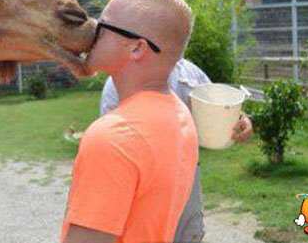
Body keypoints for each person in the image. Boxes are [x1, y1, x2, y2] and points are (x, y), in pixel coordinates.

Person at [61, 0, 198, 243]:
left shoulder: (115, 137)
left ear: (137, 48)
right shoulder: (180, 116)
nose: (91, 31)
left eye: (102, 26)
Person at [101, 60, 253, 242]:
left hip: (187, 173)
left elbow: (219, 103)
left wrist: (241, 117)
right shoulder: (121, 79)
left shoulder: (190, 72)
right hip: (144, 179)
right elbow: (110, 138)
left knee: (188, 233)